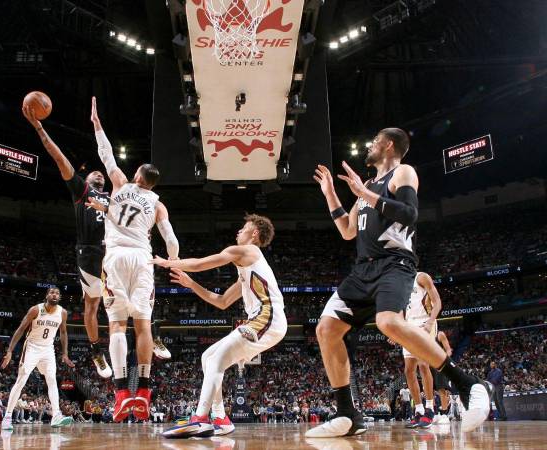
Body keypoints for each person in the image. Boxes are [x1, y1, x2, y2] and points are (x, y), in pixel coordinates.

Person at [306, 128, 492, 438]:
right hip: (362, 270)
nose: (371, 144)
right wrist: (330, 194)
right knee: (326, 329)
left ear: (389, 145)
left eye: (375, 140)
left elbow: (409, 214)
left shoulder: (403, 172)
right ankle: (347, 414)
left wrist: (364, 195)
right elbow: (347, 231)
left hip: (395, 263)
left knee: (388, 322)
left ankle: (468, 384)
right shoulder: (366, 185)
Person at [85, 96, 179, 423]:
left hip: (115, 257)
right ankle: (145, 393)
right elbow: (170, 240)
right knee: (143, 326)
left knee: (116, 324)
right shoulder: (158, 203)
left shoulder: (120, 183)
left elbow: (106, 153)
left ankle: (122, 392)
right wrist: (172, 262)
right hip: (143, 259)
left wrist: (97, 124)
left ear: (137, 174)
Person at [153, 214, 287, 438]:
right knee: (208, 357)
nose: (239, 232)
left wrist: (168, 262)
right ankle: (220, 419)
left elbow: (202, 263)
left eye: (244, 228)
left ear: (254, 234)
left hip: (267, 318)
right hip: (264, 321)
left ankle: (200, 419)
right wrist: (190, 283)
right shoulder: (247, 270)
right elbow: (222, 302)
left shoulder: (249, 251)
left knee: (216, 360)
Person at [22, 103, 112, 378]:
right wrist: (39, 128)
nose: (98, 173)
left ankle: (150, 333)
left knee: (129, 301)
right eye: (93, 172)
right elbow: (60, 158)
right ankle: (97, 350)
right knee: (92, 305)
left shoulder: (115, 199)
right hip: (88, 253)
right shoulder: (81, 191)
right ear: (86, 179)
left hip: (112, 253)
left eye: (101, 173)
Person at [0, 287, 75, 430]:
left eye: (57, 293)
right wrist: (10, 350)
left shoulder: (62, 312)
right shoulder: (35, 309)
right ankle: (7, 417)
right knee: (21, 380)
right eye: (52, 292)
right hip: (32, 347)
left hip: (48, 349)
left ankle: (56, 415)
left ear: (59, 297)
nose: (55, 295)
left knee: (52, 379)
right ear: (47, 296)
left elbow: (64, 332)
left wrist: (65, 353)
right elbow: (21, 329)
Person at [402, 271, 442, 429]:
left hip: (425, 322)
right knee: (408, 370)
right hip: (408, 325)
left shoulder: (422, 277)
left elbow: (437, 302)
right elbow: (403, 309)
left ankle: (430, 409)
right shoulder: (399, 282)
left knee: (423, 365)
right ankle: (418, 410)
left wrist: (430, 322)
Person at [432, 331, 453, 424]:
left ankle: (444, 414)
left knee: (441, 390)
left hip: (440, 364)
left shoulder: (439, 334)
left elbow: (449, 350)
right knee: (429, 391)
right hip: (428, 364)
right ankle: (434, 414)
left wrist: (444, 360)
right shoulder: (424, 334)